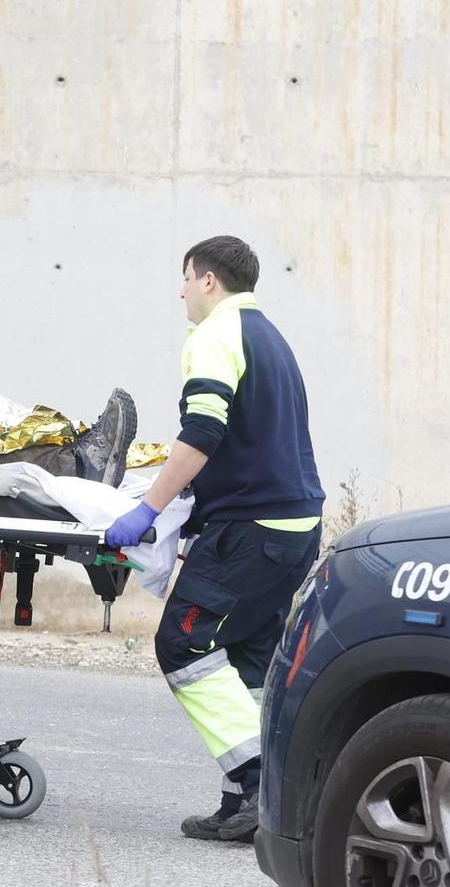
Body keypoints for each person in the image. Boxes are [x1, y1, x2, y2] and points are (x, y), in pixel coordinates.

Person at [105, 236, 323, 843]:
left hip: (252, 528)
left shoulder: (214, 336)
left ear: (206, 280)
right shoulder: (270, 337)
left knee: (184, 643)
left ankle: (260, 785)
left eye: (185, 279)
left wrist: (148, 509)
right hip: (294, 526)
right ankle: (246, 803)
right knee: (248, 659)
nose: (180, 292)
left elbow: (203, 429)